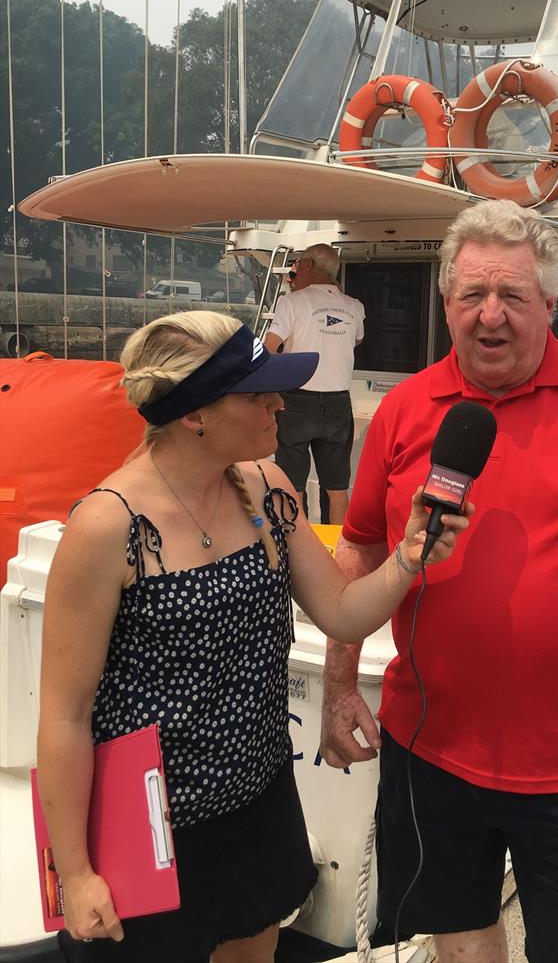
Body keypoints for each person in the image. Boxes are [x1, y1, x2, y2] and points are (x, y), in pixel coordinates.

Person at [320, 200, 558, 963]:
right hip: (428, 749)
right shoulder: (402, 410)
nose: (489, 316)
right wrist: (337, 689)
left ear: (550, 304)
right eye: (472, 295)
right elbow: (360, 549)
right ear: (446, 301)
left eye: (513, 297)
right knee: (456, 940)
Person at [37, 310, 470, 963]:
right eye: (258, 391)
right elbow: (65, 714)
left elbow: (344, 612)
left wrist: (409, 557)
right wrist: (75, 871)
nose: (279, 401)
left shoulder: (267, 489)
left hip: (259, 800)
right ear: (195, 414)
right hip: (151, 823)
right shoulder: (107, 525)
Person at [265, 243, 365, 525]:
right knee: (336, 487)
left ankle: (301, 552)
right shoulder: (354, 306)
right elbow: (357, 338)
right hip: (338, 403)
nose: (293, 273)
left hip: (297, 399)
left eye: (296, 266)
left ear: (308, 265)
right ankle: (337, 554)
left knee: (293, 485)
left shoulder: (292, 302)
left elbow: (269, 349)